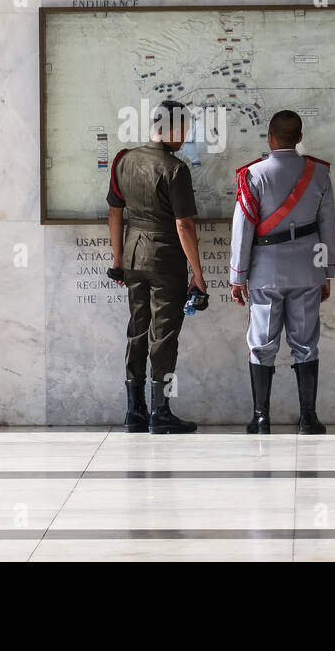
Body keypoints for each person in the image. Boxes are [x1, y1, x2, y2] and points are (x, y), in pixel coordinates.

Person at [229, 110, 335, 434]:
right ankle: (308, 418)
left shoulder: (254, 175)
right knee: (306, 343)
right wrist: (325, 274)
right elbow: (326, 226)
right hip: (307, 271)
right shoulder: (318, 173)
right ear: (300, 138)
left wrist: (238, 277)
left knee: (261, 343)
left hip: (265, 273)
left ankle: (261, 418)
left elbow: (243, 229)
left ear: (270, 138)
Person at [107, 100, 207, 434]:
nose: (186, 138)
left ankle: (134, 411)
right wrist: (198, 273)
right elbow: (184, 226)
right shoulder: (174, 168)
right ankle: (160, 412)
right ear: (174, 129)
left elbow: (114, 213)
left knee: (137, 328)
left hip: (133, 257)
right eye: (186, 131)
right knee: (163, 334)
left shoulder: (124, 161)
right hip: (165, 259)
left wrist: (118, 259)